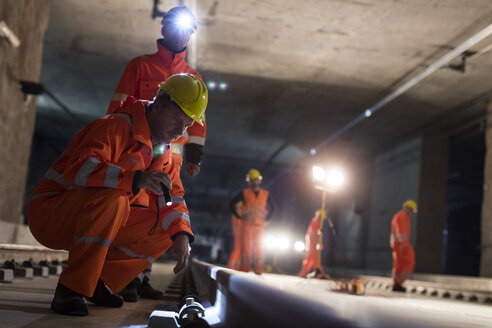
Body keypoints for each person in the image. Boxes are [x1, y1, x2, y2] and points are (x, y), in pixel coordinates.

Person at [26, 73, 208, 316]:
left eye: (186, 125)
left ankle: (100, 280)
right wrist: (134, 179)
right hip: (52, 214)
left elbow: (173, 198)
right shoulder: (114, 127)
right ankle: (71, 288)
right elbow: (79, 169)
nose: (180, 131)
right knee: (114, 198)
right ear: (158, 103)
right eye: (176, 119)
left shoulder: (166, 155)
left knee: (170, 228)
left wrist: (183, 235)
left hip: (96, 216)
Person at [107, 5, 206, 301]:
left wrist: (194, 158)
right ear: (163, 28)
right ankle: (122, 276)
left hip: (170, 162)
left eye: (187, 29)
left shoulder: (193, 76)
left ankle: (141, 277)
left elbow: (199, 124)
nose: (180, 33)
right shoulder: (140, 67)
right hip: (136, 154)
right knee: (131, 211)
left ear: (191, 34)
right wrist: (116, 147)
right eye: (175, 27)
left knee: (160, 215)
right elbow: (118, 109)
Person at [229, 169, 275, 274]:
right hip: (247, 225)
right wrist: (239, 216)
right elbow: (231, 204)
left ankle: (258, 270)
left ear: (259, 181)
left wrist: (267, 218)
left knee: (258, 248)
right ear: (249, 181)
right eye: (252, 180)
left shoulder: (265, 194)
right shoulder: (244, 193)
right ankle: (244, 270)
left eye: (255, 180)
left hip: (259, 226)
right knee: (246, 249)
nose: (254, 182)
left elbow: (274, 208)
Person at [390, 200, 417, 292]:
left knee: (399, 264)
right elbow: (401, 231)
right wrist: (404, 246)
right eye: (412, 211)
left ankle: (396, 284)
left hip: (397, 245)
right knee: (409, 262)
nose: (411, 214)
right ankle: (398, 283)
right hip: (402, 245)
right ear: (409, 209)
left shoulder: (398, 216)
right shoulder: (403, 217)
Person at [299, 209, 326, 278]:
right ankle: (305, 273)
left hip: (314, 243)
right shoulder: (315, 222)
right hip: (312, 243)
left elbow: (317, 235)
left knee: (316, 259)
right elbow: (313, 234)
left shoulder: (318, 222)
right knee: (310, 258)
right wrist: (318, 233)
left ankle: (320, 273)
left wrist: (319, 243)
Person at [227, 201, 243, 270]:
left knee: (238, 249)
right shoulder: (240, 212)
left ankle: (234, 266)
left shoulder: (236, 212)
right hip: (240, 233)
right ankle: (234, 266)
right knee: (238, 249)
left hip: (238, 233)